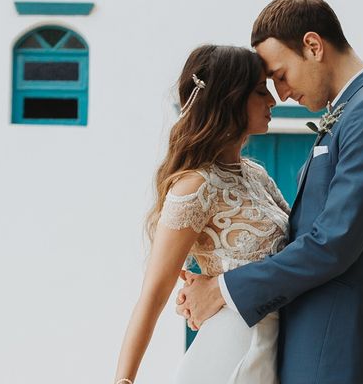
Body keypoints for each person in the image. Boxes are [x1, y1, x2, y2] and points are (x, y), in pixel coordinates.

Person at [176, 0, 363, 384]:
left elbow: (332, 243)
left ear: (312, 45)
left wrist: (222, 289)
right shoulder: (354, 112)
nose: (280, 93)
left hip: (333, 344)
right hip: (310, 342)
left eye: (279, 74)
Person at [113, 44, 288, 384]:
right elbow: (152, 295)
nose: (272, 101)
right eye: (258, 91)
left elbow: (302, 250)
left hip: (274, 350)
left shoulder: (255, 175)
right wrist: (124, 380)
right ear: (229, 99)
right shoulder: (195, 188)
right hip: (230, 354)